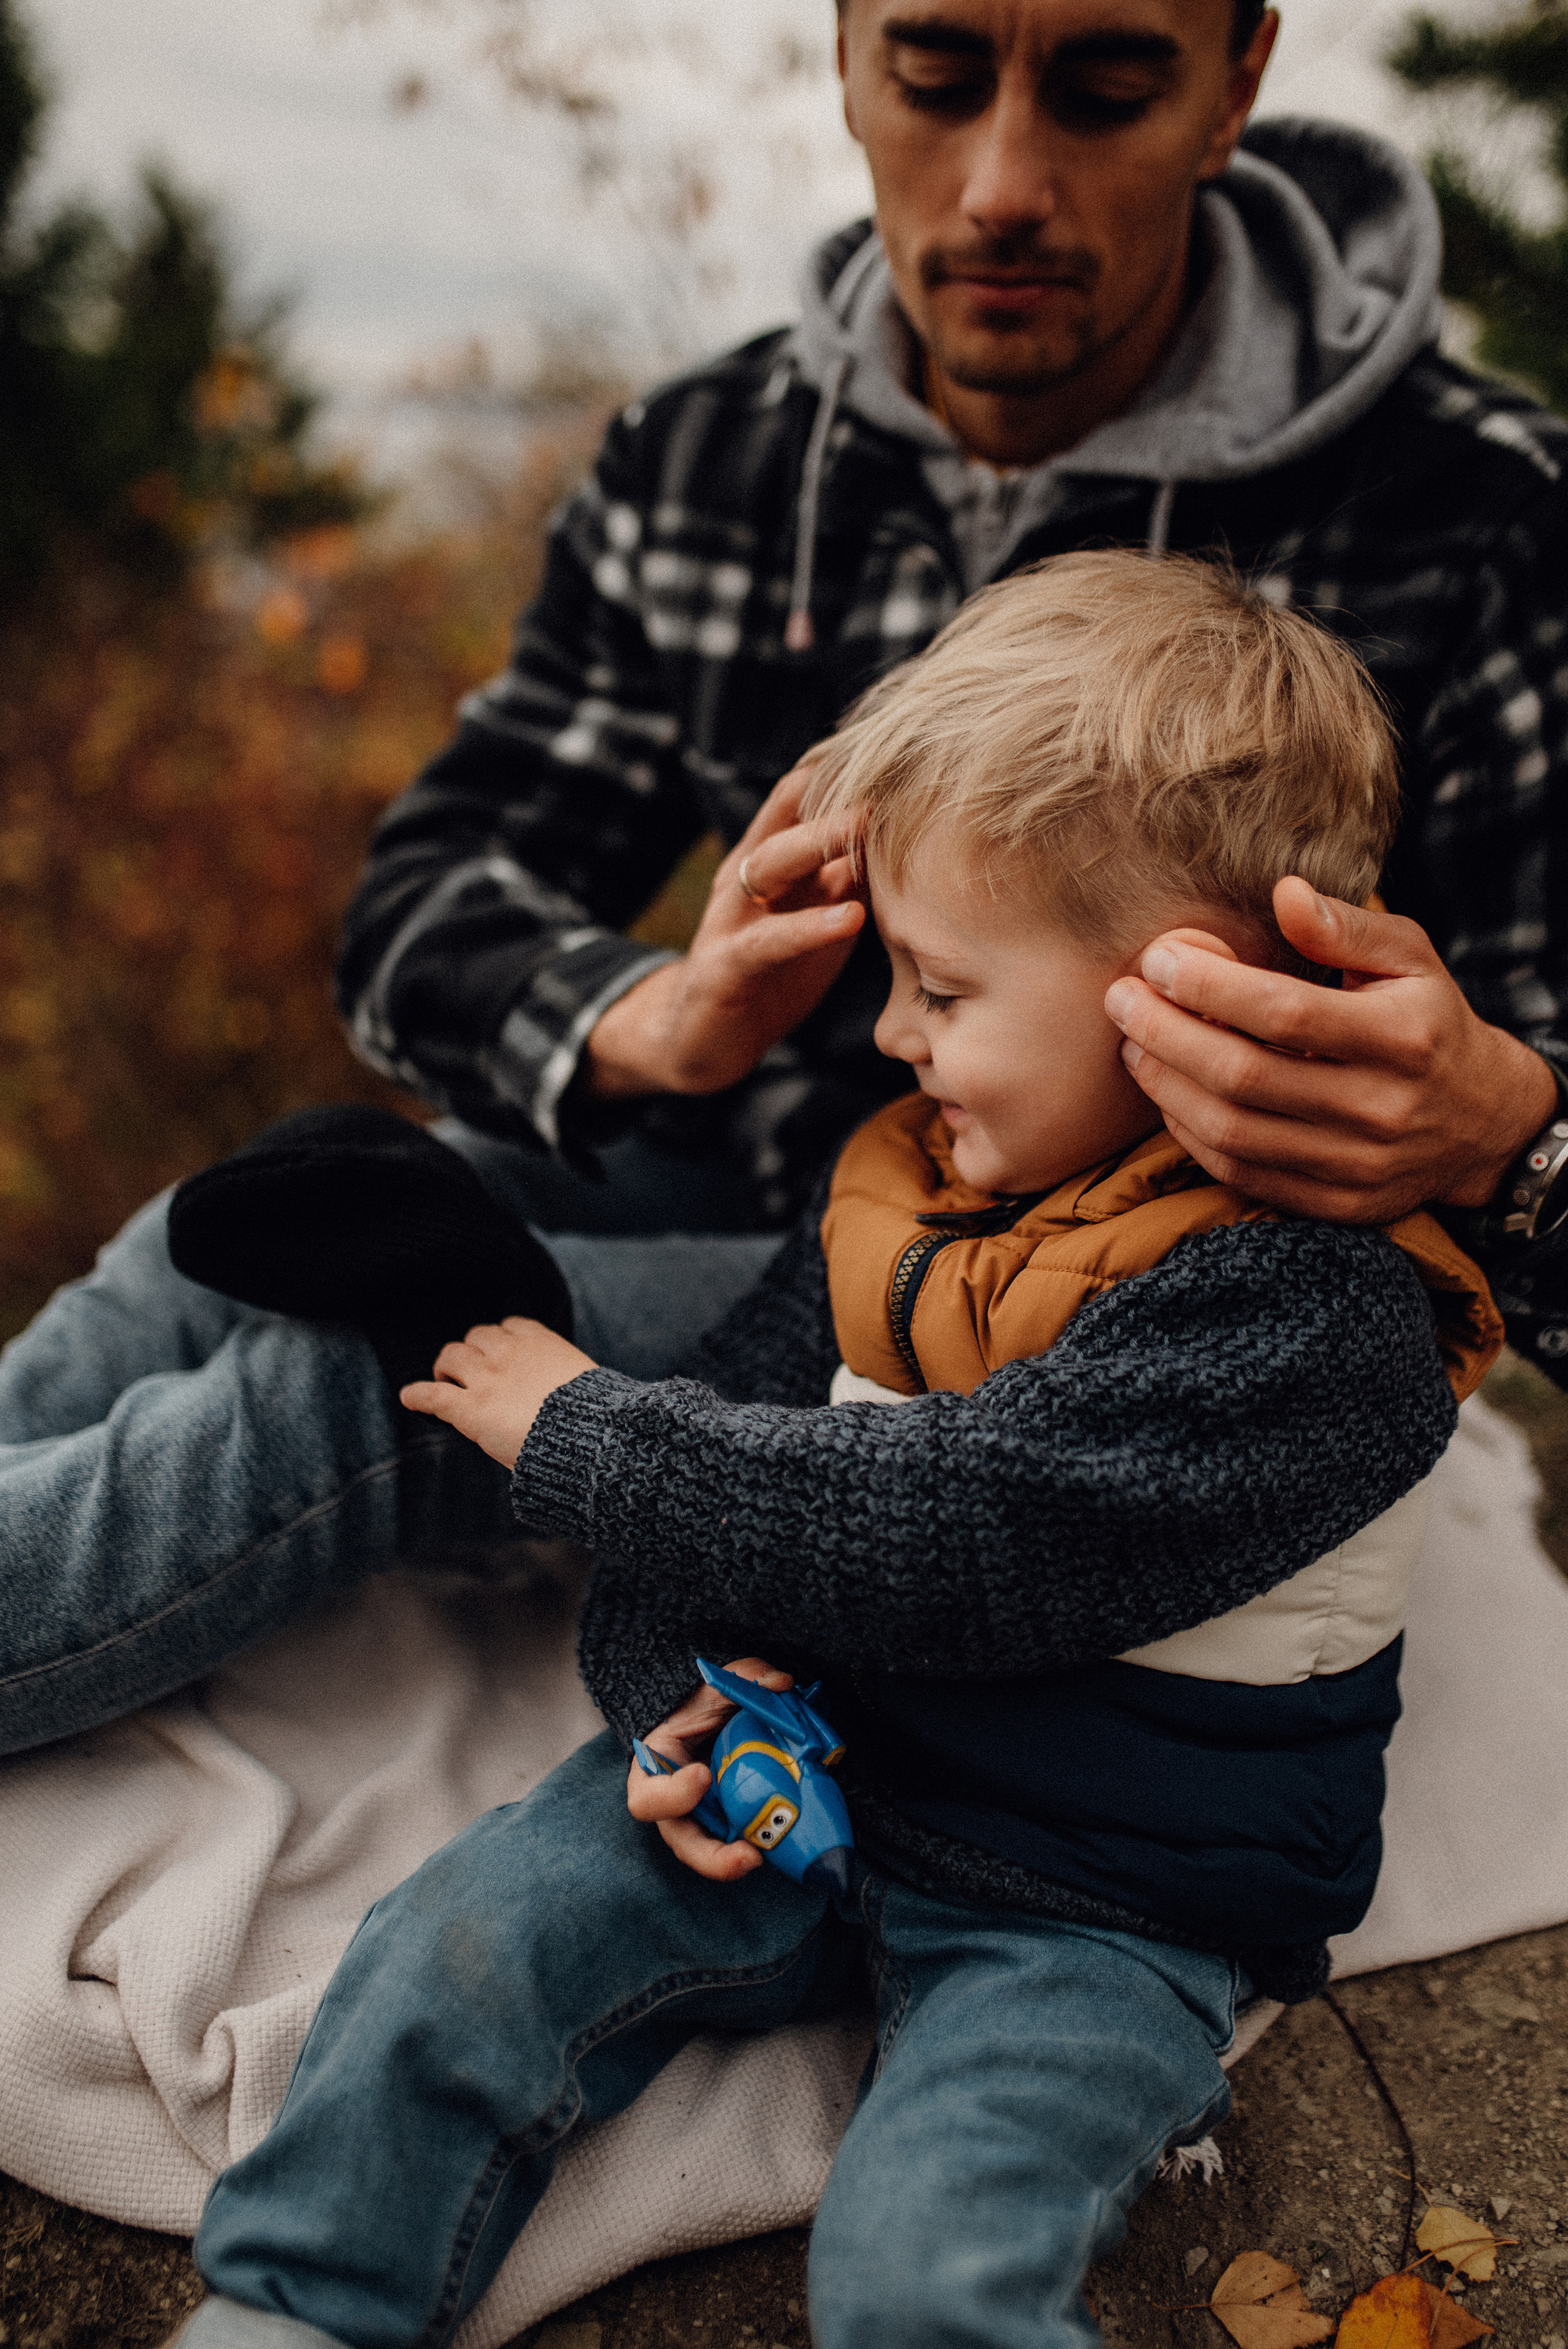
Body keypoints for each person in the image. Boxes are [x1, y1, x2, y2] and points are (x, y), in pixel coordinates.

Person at [3, 0, 1567, 1740]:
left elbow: (1515, 1147)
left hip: (1076, 1306)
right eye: (936, 76)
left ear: (1239, 85)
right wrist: (659, 1018)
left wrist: (1509, 1129)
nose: (1002, 186)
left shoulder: (1483, 516)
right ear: (840, 55)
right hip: (715, 1184)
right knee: (210, 1241)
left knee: (353, 1371)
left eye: (1109, 90)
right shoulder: (706, 462)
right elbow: (425, 893)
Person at [170, 553, 1501, 2349]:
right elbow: (746, 1417)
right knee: (459, 1949)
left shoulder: (1311, 1309)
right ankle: (299, 2302)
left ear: (1192, 991)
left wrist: (578, 1427)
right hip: (814, 1773)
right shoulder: (912, 1181)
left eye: (945, 990)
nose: (889, 1034)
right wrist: (669, 1698)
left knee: (922, 2264)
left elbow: (961, 1532)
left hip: (1101, 1905)